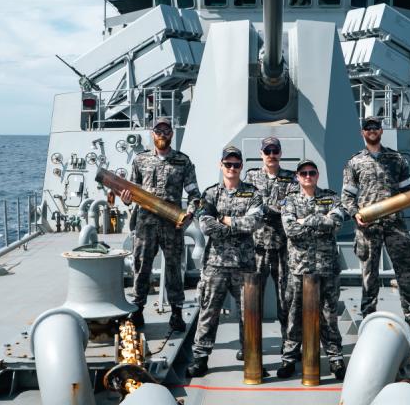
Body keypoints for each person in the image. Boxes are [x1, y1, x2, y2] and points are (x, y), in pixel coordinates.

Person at [187, 145, 264, 377]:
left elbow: (254, 223)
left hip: (244, 265)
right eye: (228, 164)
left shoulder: (253, 193)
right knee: (208, 312)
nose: (232, 168)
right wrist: (234, 226)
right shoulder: (210, 194)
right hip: (215, 264)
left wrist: (222, 220)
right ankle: (200, 358)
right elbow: (206, 226)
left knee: (248, 313)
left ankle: (251, 356)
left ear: (241, 167)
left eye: (236, 164)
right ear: (221, 165)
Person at [119, 118, 200, 332]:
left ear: (172, 134)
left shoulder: (183, 162)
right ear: (152, 134)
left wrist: (190, 212)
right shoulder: (140, 160)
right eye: (158, 130)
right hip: (145, 223)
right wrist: (126, 198)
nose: (162, 134)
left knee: (174, 267)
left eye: (166, 130)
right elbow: (130, 192)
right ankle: (137, 311)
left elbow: (194, 194)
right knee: (141, 266)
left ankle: (176, 313)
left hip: (172, 222)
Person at [341, 117, 410, 320]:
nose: (372, 130)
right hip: (368, 226)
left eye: (375, 127)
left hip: (394, 224)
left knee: (406, 270)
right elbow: (347, 196)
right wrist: (355, 214)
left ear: (381, 131)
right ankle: (369, 316)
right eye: (368, 128)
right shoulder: (354, 162)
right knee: (369, 275)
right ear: (362, 132)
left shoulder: (396, 159)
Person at [277, 159, 347, 380]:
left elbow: (336, 223)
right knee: (294, 314)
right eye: (303, 173)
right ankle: (289, 359)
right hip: (299, 269)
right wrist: (320, 220)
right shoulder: (289, 201)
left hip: (326, 268)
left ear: (317, 175)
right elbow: (290, 229)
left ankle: (335, 359)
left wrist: (305, 219)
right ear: (297, 177)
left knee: (329, 315)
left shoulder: (331, 197)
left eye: (312, 173)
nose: (308, 176)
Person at [242, 137, 297, 350]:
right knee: (253, 299)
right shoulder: (251, 176)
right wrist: (275, 208)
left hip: (283, 247)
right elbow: (247, 204)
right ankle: (250, 344)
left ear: (280, 153)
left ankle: (289, 344)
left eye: (275, 151)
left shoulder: (291, 179)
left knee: (286, 298)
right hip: (256, 247)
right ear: (261, 153)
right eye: (267, 151)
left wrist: (265, 208)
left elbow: (291, 207)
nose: (271, 155)